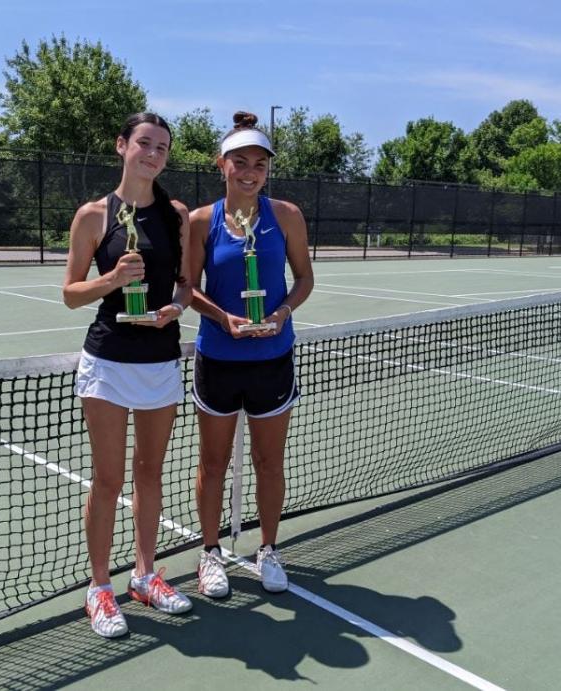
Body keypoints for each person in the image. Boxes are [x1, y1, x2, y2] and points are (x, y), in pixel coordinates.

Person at [63, 112, 193, 638]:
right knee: (109, 477)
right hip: (109, 363)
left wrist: (177, 309)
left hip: (160, 360)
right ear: (122, 146)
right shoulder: (93, 216)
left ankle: (144, 575)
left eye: (162, 147)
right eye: (144, 143)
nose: (154, 154)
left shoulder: (176, 214)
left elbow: (185, 283)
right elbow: (71, 293)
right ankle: (99, 588)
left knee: (150, 473)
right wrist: (112, 279)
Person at [188, 112, 314, 597]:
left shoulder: (287, 216)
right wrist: (225, 320)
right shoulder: (202, 220)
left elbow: (304, 279)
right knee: (212, 463)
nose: (250, 171)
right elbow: (188, 286)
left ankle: (268, 550)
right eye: (240, 161)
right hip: (218, 359)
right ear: (221, 164)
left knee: (269, 462)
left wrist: (280, 313)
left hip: (272, 360)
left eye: (259, 164)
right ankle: (210, 554)